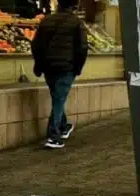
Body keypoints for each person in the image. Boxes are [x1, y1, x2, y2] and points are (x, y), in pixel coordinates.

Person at [30, 0, 88, 149]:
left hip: (48, 67)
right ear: (74, 6)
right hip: (66, 67)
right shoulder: (76, 22)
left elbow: (36, 45)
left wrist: (38, 65)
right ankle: (53, 136)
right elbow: (82, 48)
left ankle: (63, 126)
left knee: (57, 98)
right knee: (59, 100)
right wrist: (78, 67)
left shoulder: (46, 20)